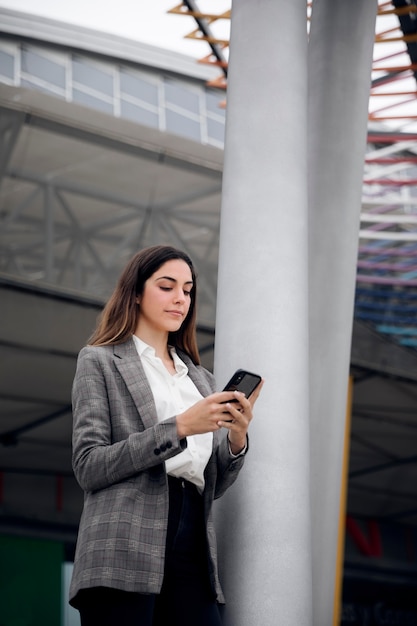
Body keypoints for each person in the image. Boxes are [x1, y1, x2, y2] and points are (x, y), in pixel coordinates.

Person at [69, 244, 263, 626]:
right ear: (137, 292)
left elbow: (212, 484)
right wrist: (179, 427)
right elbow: (89, 465)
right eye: (167, 286)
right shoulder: (99, 360)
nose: (180, 299)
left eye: (188, 290)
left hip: (193, 541)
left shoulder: (200, 379)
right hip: (122, 542)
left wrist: (237, 440)